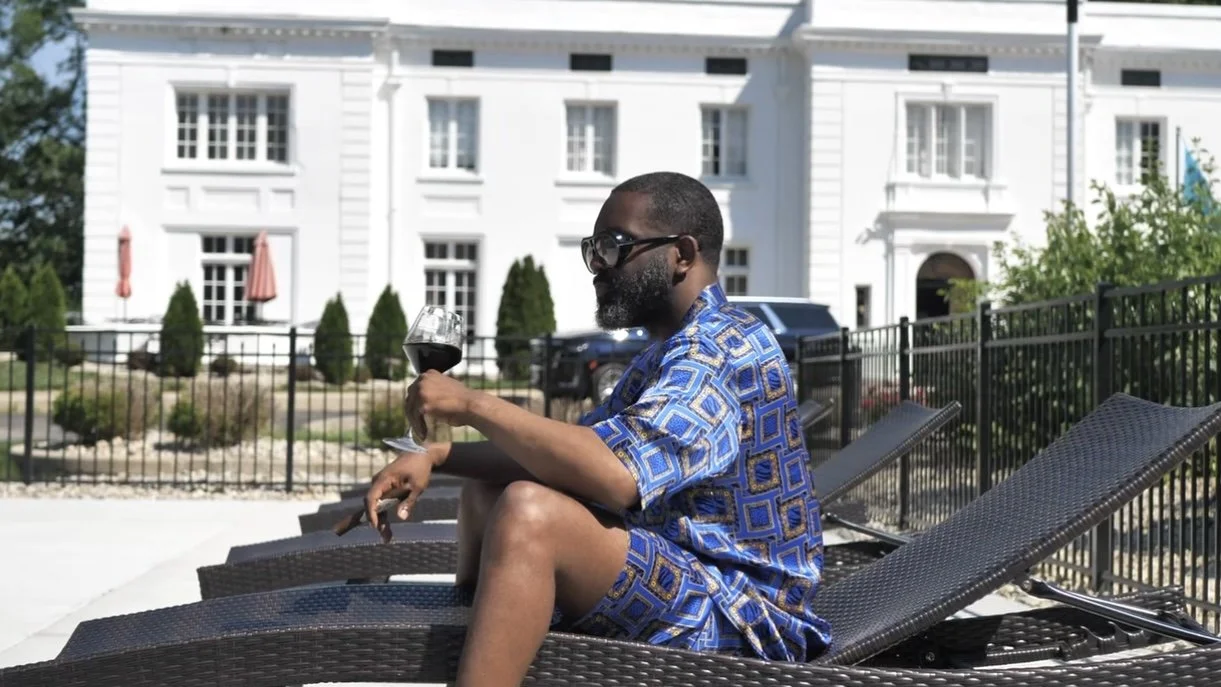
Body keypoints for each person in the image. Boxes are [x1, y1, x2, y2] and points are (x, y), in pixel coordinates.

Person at [364, 171, 831, 687]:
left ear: (681, 253)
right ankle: (476, 646)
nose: (596, 267)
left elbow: (617, 475)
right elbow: (568, 455)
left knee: (531, 512)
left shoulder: (721, 348)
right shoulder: (667, 350)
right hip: (684, 571)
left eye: (614, 247)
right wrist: (438, 456)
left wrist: (474, 404)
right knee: (489, 492)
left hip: (742, 615)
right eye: (593, 250)